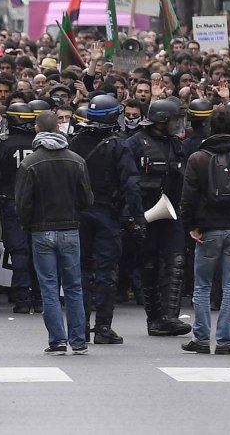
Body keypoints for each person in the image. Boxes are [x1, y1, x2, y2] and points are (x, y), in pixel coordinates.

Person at [15, 111, 94, 356]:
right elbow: (87, 199)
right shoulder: (77, 160)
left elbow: (22, 203)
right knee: (73, 287)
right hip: (70, 228)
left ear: (37, 130)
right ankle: (79, 341)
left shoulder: (29, 163)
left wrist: (27, 225)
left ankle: (57, 340)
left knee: (48, 287)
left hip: (41, 230)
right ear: (59, 129)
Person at [180, 107, 230, 355]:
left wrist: (190, 225)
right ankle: (224, 341)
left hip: (207, 228)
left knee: (202, 284)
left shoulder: (198, 158)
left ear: (210, 128)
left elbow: (188, 196)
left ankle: (201, 338)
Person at [69, 94, 142, 345]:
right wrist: (138, 217)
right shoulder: (119, 145)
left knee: (81, 270)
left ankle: (79, 327)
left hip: (79, 213)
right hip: (106, 213)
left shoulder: (75, 141)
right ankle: (102, 327)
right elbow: (131, 185)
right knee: (106, 271)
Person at [125, 99, 192, 337]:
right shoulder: (134, 144)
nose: (177, 125)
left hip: (171, 210)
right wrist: (132, 217)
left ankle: (170, 317)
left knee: (176, 261)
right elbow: (127, 181)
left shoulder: (176, 144)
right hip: (146, 211)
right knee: (150, 264)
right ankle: (154, 319)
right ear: (162, 121)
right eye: (174, 120)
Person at [0, 102, 40, 313]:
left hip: (12, 200)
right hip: (40, 203)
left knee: (19, 250)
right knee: (39, 250)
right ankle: (39, 296)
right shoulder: (41, 143)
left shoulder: (4, 143)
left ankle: (21, 296)